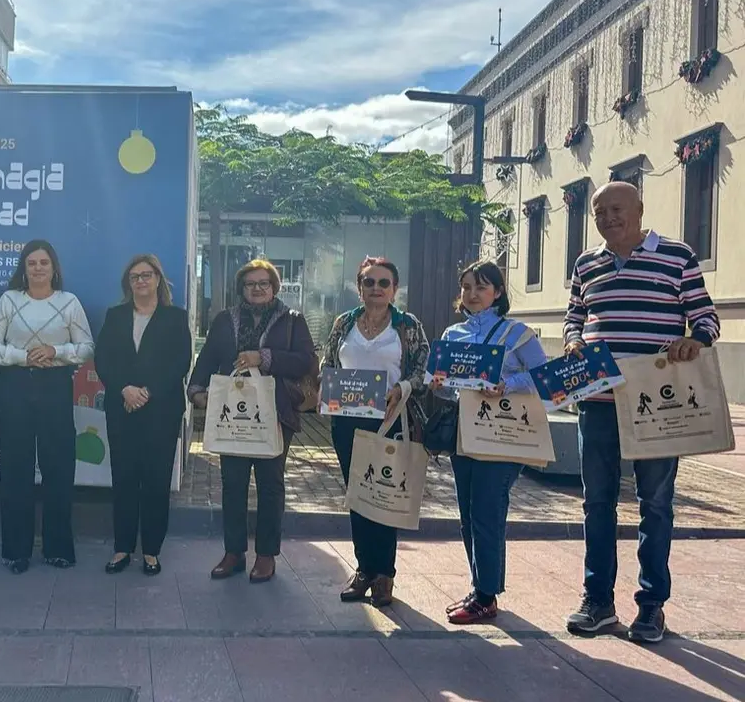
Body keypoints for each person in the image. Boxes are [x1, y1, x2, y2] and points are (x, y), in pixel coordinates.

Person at [563, 181, 720, 644]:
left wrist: (697, 340)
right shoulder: (586, 263)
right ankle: (598, 602)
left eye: (616, 208)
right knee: (596, 503)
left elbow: (706, 316)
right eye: (600, 211)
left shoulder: (677, 256)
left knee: (654, 505)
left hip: (658, 404)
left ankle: (651, 606)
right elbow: (575, 314)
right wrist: (573, 339)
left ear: (639, 210)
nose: (608, 217)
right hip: (597, 400)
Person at [431, 261, 548, 624]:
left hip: (505, 435)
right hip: (466, 433)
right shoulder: (453, 334)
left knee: (487, 511)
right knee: (468, 514)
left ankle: (486, 595)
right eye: (466, 287)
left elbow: (544, 376)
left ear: (497, 292)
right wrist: (439, 383)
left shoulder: (518, 334)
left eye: (481, 287)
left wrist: (506, 385)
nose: (472, 294)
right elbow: (447, 385)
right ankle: (481, 587)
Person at [188, 259, 315, 584]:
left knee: (270, 486)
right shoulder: (224, 320)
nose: (257, 288)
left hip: (275, 415)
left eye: (264, 283)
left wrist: (265, 358)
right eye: (250, 284)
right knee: (232, 484)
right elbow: (208, 359)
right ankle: (233, 553)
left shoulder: (292, 321)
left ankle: (266, 555)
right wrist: (197, 389)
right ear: (241, 288)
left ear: (274, 287)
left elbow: (306, 362)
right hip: (232, 416)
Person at [320, 257, 429, 606]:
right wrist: (326, 386)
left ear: (395, 289)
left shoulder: (408, 325)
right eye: (369, 282)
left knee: (383, 495)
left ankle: (385, 574)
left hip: (390, 420)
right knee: (358, 495)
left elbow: (422, 371)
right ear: (359, 287)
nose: (376, 289)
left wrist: (402, 389)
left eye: (384, 283)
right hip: (347, 421)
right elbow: (328, 363)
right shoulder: (344, 322)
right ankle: (364, 568)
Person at [0, 240, 95, 574]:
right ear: (23, 268)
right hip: (14, 386)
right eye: (32, 263)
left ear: (54, 267)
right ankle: (16, 551)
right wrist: (21, 356)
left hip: (55, 387)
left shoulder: (69, 302)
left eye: (44, 262)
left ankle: (58, 547)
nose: (38, 268)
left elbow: (86, 346)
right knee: (15, 469)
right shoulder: (9, 300)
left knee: (58, 468)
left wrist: (55, 352)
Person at [95, 254, 192, 576]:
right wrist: (124, 388)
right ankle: (122, 548)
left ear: (158, 280)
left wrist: (147, 391)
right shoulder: (115, 316)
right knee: (123, 480)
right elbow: (104, 360)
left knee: (155, 481)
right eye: (134, 276)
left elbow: (180, 362)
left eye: (146, 275)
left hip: (160, 410)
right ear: (128, 283)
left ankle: (151, 551)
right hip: (122, 408)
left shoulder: (175, 318)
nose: (141, 281)